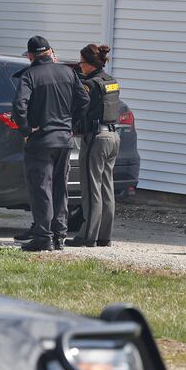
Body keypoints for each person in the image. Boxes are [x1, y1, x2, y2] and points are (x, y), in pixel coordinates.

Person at [12, 36, 90, 252]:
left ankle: (43, 237)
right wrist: (71, 123)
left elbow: (19, 105)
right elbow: (84, 101)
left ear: (30, 55)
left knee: (41, 189)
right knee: (59, 188)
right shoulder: (68, 72)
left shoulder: (29, 75)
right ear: (49, 52)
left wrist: (26, 129)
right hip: (64, 140)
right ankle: (59, 235)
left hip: (41, 141)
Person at [65, 44, 121, 248]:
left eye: (81, 63)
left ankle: (88, 236)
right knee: (107, 188)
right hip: (113, 137)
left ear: (89, 64)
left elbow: (80, 108)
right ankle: (104, 236)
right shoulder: (111, 81)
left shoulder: (90, 84)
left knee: (91, 188)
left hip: (96, 139)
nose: (79, 67)